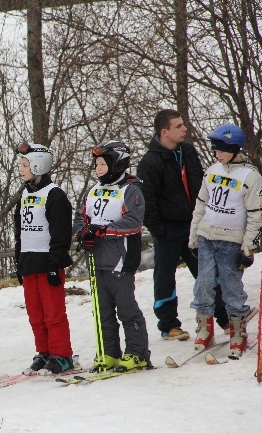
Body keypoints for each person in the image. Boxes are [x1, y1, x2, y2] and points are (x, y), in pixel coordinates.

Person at [137, 109, 227, 340]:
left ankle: (225, 318)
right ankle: (169, 325)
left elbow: (201, 185)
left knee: (207, 272)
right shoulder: (149, 162)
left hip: (195, 224)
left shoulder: (188, 151)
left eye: (183, 124)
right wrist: (159, 230)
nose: (184, 129)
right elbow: (148, 201)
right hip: (167, 229)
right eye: (178, 126)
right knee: (165, 277)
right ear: (164, 131)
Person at [189, 124, 262, 358]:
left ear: (234, 148)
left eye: (221, 149)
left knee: (231, 287)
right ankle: (204, 328)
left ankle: (238, 331)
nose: (216, 154)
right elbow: (201, 204)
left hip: (231, 240)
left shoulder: (250, 176)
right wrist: (193, 237)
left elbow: (256, 216)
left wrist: (248, 247)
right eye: (214, 149)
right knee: (203, 284)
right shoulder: (212, 170)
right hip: (207, 236)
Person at [74, 141, 150, 371]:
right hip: (97, 260)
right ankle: (108, 352)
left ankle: (137, 353)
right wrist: (83, 233)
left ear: (117, 164)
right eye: (96, 164)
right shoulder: (93, 190)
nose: (97, 169)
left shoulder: (130, 189)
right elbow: (80, 217)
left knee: (126, 309)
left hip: (120, 260)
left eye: (102, 164)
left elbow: (134, 222)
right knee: (103, 310)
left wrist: (104, 230)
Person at [13, 142, 75, 375]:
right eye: (21, 164)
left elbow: (60, 234)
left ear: (39, 165)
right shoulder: (25, 195)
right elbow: (19, 233)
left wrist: (55, 264)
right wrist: (18, 262)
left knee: (53, 313)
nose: (21, 168)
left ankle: (62, 354)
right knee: (35, 313)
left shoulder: (54, 195)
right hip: (29, 263)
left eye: (25, 164)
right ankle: (44, 352)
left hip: (49, 263)